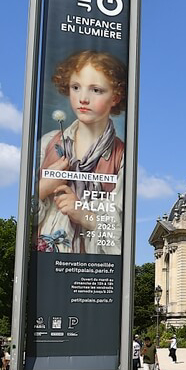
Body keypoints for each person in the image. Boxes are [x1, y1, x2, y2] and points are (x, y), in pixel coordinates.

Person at [36, 50, 126, 255]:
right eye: (76, 87)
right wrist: (42, 188)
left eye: (96, 90)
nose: (83, 98)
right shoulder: (49, 143)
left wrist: (83, 214)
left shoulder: (122, 156)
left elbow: (122, 235)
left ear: (116, 96)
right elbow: (24, 222)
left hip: (91, 273)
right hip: (46, 267)